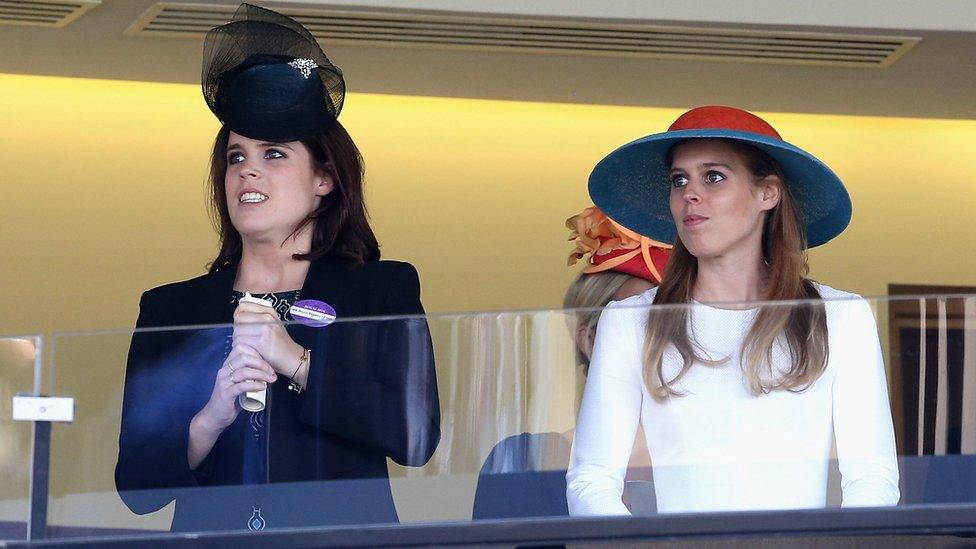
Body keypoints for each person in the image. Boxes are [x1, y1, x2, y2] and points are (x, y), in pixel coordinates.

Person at [115, 3, 440, 532]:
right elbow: (137, 489)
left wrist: (296, 361)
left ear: (325, 179)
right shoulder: (172, 307)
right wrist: (209, 419)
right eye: (236, 157)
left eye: (274, 154)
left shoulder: (379, 289)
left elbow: (416, 438)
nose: (248, 173)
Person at [568, 106, 899, 515]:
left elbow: (872, 478)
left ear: (768, 193)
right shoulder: (630, 321)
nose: (690, 192)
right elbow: (592, 478)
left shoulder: (840, 317)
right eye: (679, 179)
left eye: (714, 176)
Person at [471, 206, 669, 519]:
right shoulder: (524, 461)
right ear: (590, 339)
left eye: (682, 320)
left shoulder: (720, 453)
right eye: (643, 320)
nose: (670, 337)